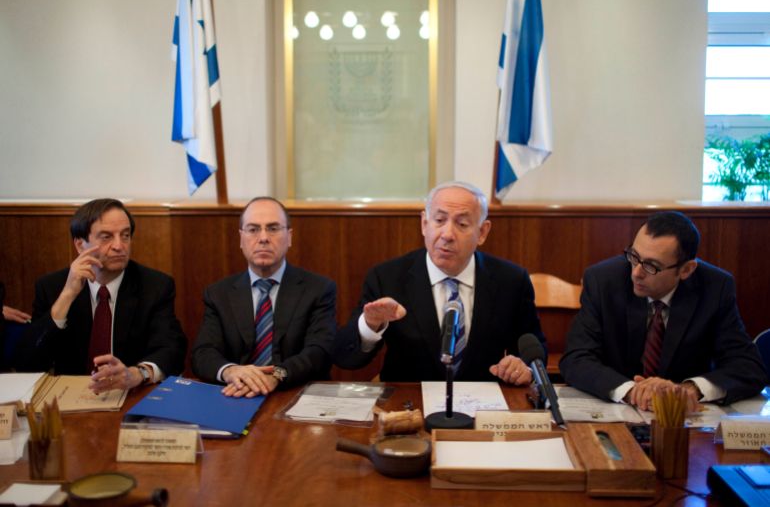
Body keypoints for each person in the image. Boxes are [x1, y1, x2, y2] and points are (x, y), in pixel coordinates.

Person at [333, 181, 544, 383]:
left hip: (483, 407)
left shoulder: (511, 280)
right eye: (439, 220)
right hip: (410, 406)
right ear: (425, 224)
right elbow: (346, 357)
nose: (447, 234)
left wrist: (523, 368)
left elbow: (533, 348)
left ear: (482, 232)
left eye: (462, 224)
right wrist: (369, 325)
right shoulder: (387, 277)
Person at [560, 211, 767, 411]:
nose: (636, 272)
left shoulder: (715, 288)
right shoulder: (602, 280)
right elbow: (576, 359)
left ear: (686, 270)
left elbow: (748, 366)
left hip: (683, 419)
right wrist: (633, 391)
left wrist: (691, 389)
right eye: (634, 256)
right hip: (620, 411)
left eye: (651, 266)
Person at [14, 199, 187, 393]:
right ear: (80, 245)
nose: (119, 246)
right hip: (70, 396)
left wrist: (139, 373)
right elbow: (26, 362)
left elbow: (173, 349)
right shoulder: (52, 287)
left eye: (125, 235)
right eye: (106, 237)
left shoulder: (155, 285)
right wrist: (66, 297)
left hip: (129, 395)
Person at [192, 197, 336, 398]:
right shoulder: (218, 293)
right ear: (241, 239)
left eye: (273, 228)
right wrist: (232, 371)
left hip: (295, 393)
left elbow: (320, 352)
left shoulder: (318, 289)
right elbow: (203, 353)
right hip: (237, 394)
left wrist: (277, 375)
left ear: (289, 237)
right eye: (253, 229)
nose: (263, 238)